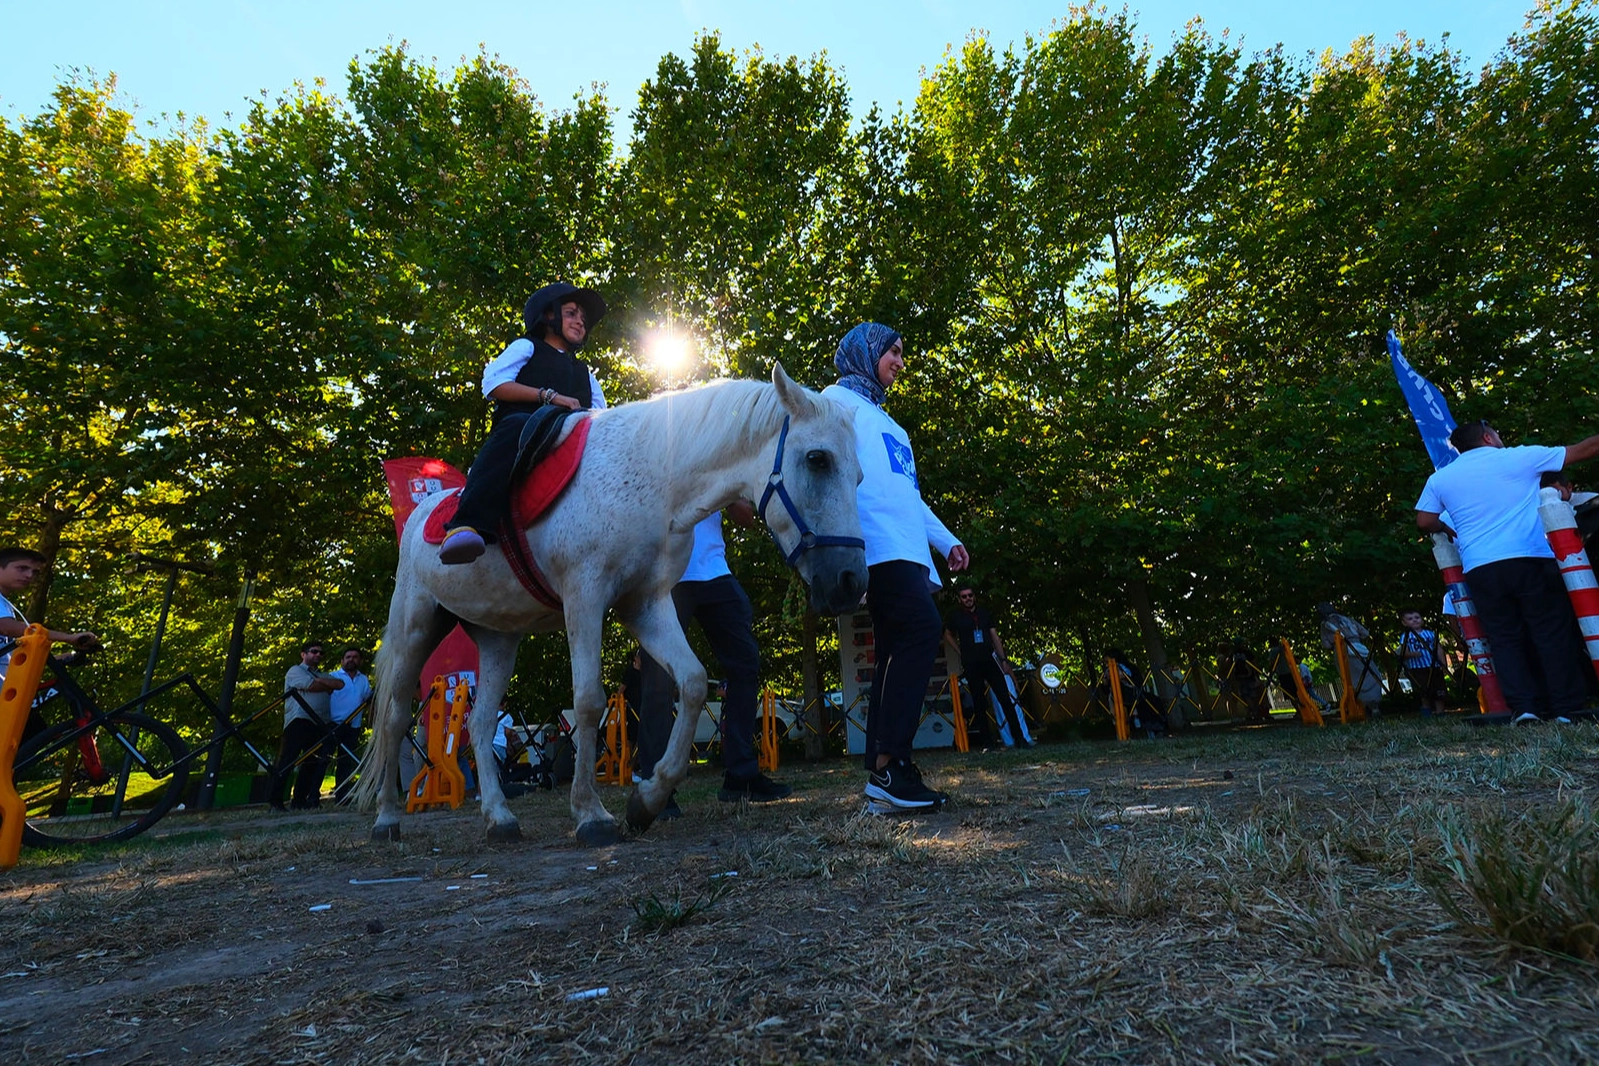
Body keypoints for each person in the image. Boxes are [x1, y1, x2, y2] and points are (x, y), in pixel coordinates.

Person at [823, 322, 967, 812]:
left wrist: (946, 542)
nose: (901, 362)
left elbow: (910, 496)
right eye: (894, 352)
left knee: (892, 652)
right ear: (865, 353)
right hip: (876, 550)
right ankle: (890, 767)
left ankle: (885, 774)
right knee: (921, 632)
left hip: (910, 552)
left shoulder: (894, 427)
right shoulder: (832, 404)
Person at [1416, 419, 1599, 722]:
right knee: (1550, 633)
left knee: (1504, 639)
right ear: (1488, 437)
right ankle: (1566, 708)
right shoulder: (1519, 457)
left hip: (1480, 567)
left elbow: (1424, 521)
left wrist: (1445, 527)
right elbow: (1585, 449)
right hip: (1530, 558)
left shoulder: (1442, 478)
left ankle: (1525, 709)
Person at [636, 505, 792, 819]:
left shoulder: (717, 454)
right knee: (660, 678)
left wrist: (729, 496)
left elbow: (746, 518)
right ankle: (657, 785)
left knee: (745, 664)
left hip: (714, 571)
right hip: (667, 574)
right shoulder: (654, 453)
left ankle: (741, 774)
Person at [439, 282, 608, 564]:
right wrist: (549, 397)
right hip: (523, 432)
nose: (581, 321)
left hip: (572, 438)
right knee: (516, 425)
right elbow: (494, 384)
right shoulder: (527, 346)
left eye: (583, 318)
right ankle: (465, 524)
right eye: (571, 313)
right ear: (549, 315)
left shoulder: (584, 372)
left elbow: (601, 414)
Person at [943, 585, 1030, 748]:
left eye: (970, 595)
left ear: (974, 596)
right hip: (971, 663)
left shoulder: (984, 613)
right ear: (959, 599)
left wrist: (1003, 659)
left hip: (989, 660)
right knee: (979, 703)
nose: (967, 599)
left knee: (1005, 698)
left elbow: (994, 636)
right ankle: (987, 743)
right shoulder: (955, 616)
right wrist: (960, 650)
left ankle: (1019, 738)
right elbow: (947, 634)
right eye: (964, 596)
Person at [0, 547, 100, 673]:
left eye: (35, 572)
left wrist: (59, 659)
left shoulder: (6, 606)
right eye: (22, 568)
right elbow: (7, 627)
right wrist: (68, 638)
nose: (29, 575)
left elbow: (10, 658)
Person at [270, 641, 344, 810]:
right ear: (303, 654)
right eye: (314, 652)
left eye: (320, 653)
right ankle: (275, 801)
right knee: (287, 761)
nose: (318, 655)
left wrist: (320, 681)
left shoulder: (323, 674)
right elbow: (311, 686)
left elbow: (340, 685)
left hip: (320, 723)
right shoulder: (295, 671)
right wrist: (323, 684)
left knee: (311, 763)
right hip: (299, 720)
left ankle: (300, 801)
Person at [1317, 603, 1384, 714]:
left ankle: (1359, 705)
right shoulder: (1347, 619)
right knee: (1371, 674)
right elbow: (1365, 633)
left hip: (1342, 652)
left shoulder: (1325, 625)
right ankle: (1375, 706)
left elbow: (1327, 645)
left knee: (1351, 680)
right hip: (1360, 649)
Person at [327, 646, 372, 802]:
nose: (351, 659)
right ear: (342, 660)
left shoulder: (363, 680)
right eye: (348, 657)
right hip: (334, 724)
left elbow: (368, 700)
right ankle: (311, 795)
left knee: (345, 761)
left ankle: (342, 796)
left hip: (353, 726)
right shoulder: (333, 677)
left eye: (355, 657)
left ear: (360, 661)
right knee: (323, 759)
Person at [1395, 609, 1448, 717]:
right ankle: (1426, 712)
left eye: (1417, 617)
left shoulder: (1430, 634)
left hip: (1435, 667)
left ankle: (1440, 712)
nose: (1414, 620)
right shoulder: (1405, 636)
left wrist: (1443, 664)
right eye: (1410, 619)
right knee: (1424, 691)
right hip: (1418, 669)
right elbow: (1403, 651)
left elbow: (1439, 649)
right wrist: (1412, 654)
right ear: (1404, 623)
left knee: (1439, 690)